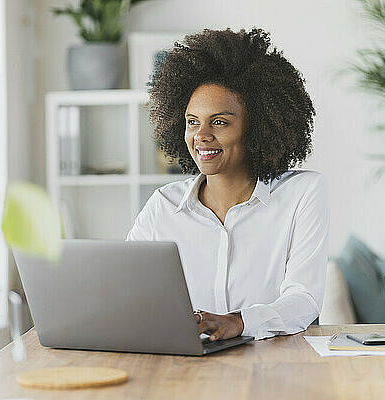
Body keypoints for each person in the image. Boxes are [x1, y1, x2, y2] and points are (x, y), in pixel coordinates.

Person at [126, 28, 330, 342]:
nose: (201, 135)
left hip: (277, 370)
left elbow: (304, 301)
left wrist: (240, 322)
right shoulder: (163, 206)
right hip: (189, 370)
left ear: (258, 127)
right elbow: (125, 290)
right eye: (193, 121)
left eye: (219, 121)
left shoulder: (302, 195)